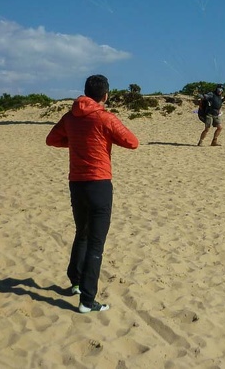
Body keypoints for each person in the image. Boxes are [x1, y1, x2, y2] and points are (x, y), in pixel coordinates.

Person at [46, 74, 139, 313]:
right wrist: (96, 141)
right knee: (96, 243)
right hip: (98, 184)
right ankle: (87, 300)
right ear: (105, 95)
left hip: (76, 183)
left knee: (83, 233)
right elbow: (132, 142)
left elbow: (52, 139)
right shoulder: (105, 117)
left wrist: (80, 142)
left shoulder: (70, 116)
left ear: (86, 93)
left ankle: (75, 281)